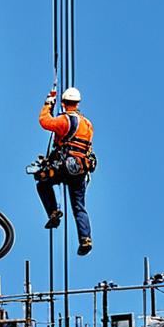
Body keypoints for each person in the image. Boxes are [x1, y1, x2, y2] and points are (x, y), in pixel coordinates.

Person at [36, 86, 94, 256]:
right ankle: (85, 238)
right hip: (81, 169)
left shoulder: (64, 121)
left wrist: (48, 103)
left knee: (42, 183)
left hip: (64, 167)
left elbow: (44, 121)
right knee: (78, 205)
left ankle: (53, 212)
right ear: (77, 103)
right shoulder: (87, 124)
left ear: (64, 103)